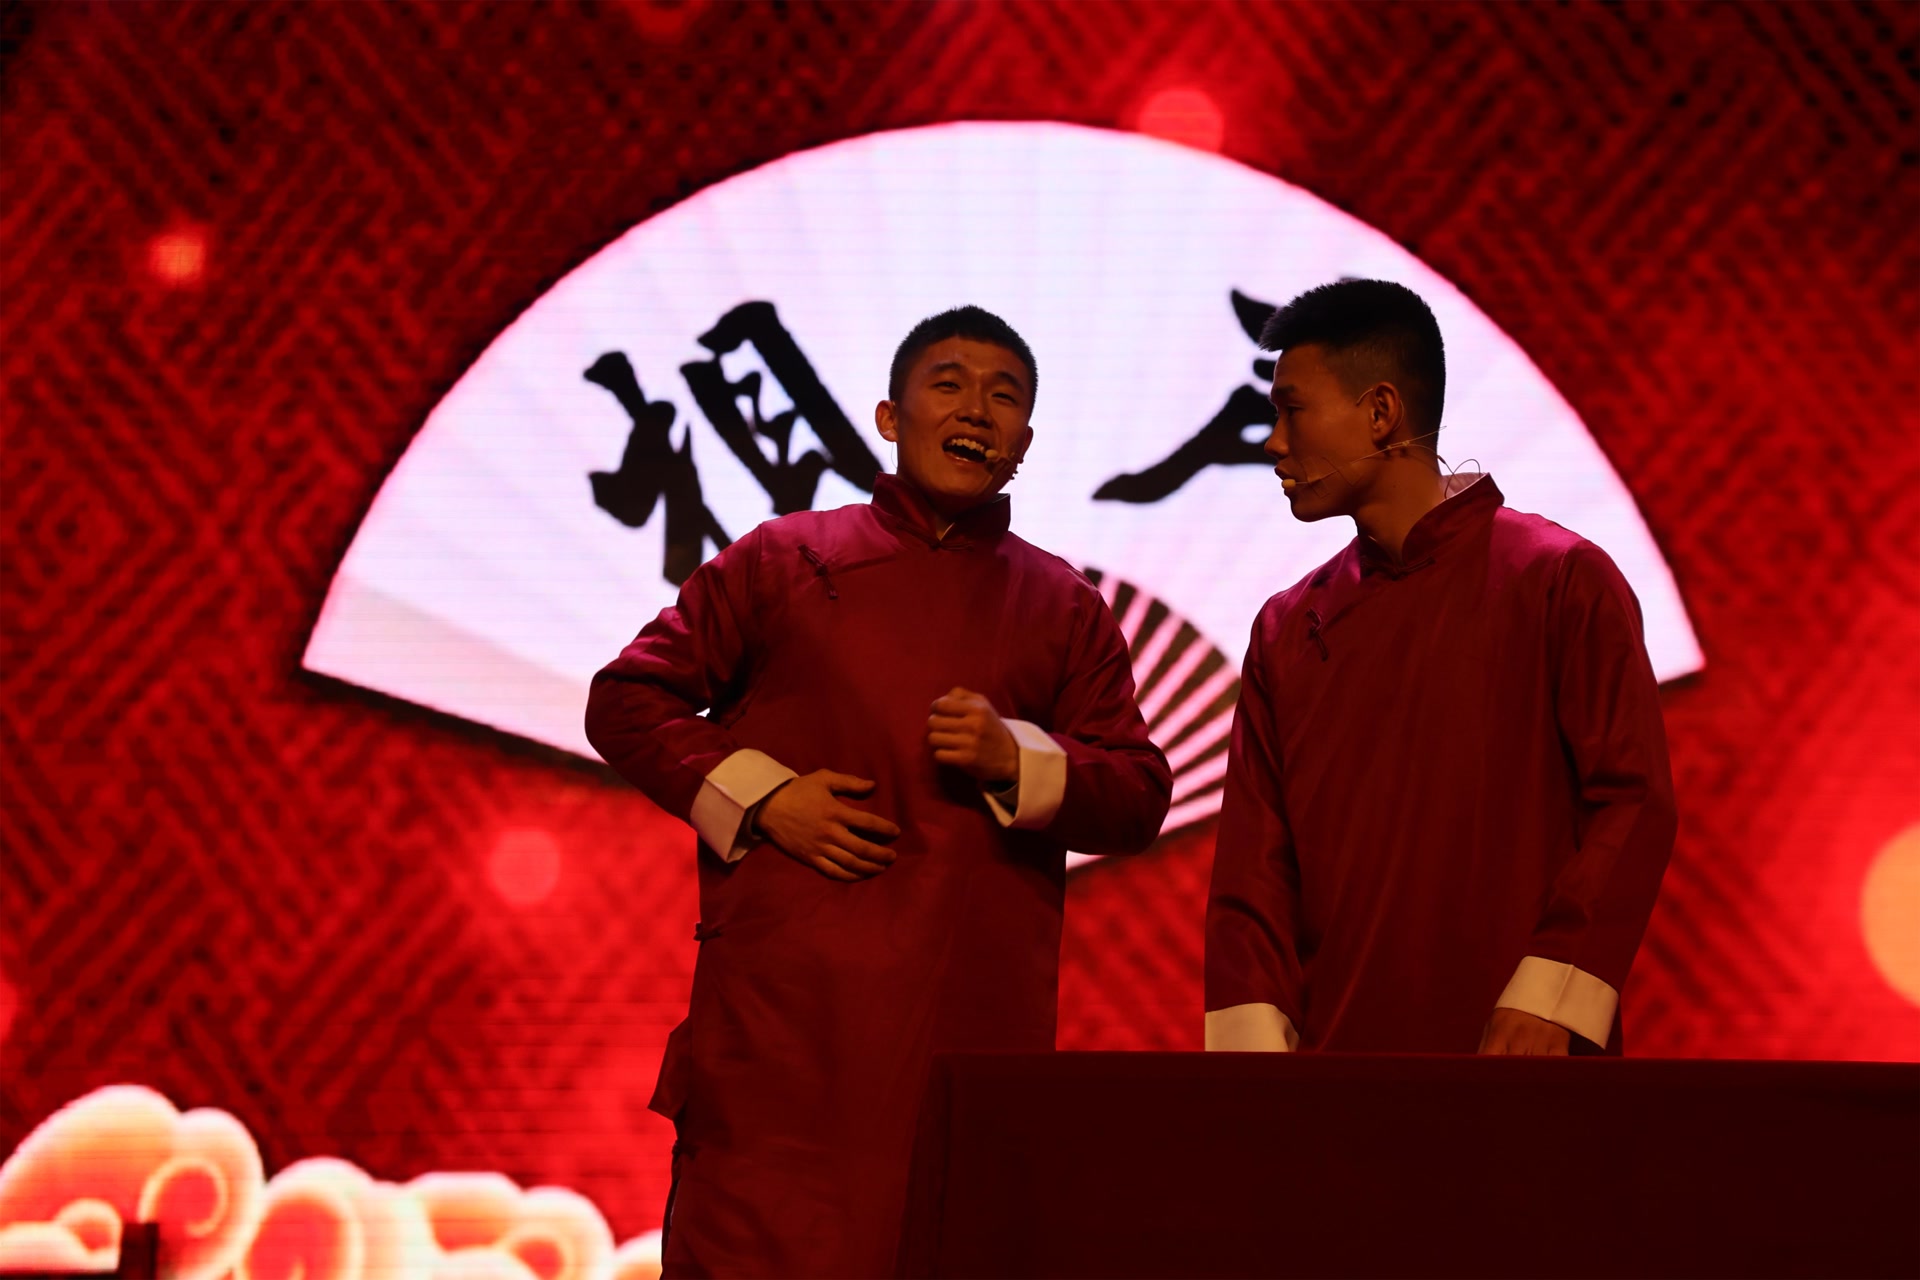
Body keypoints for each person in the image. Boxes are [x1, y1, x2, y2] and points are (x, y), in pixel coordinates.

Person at [586, 306, 1171, 1277]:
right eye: (949, 384)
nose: (976, 409)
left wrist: (1015, 758)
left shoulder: (1064, 606)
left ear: (1025, 443)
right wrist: (765, 799)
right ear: (890, 418)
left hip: (965, 1035)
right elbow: (627, 700)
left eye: (1004, 395)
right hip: (781, 1035)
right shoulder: (783, 559)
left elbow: (1140, 793)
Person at [1205, 279, 1676, 1057]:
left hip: (1523, 1066)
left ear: (1381, 412)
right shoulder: (1286, 628)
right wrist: (1253, 1067)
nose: (1273, 442)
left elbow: (1632, 799)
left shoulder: (1559, 579)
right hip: (1336, 1082)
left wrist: (1552, 996)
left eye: (1292, 410)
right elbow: (1255, 868)